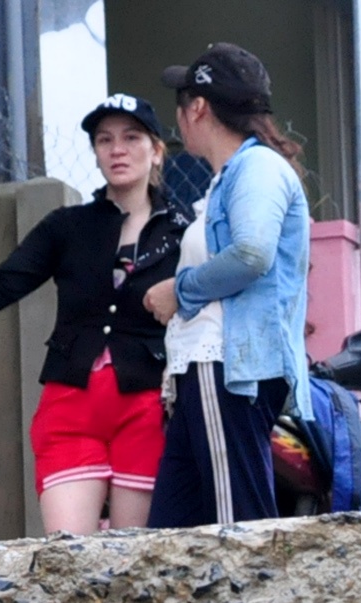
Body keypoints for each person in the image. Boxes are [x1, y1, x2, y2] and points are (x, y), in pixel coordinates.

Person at [0, 95, 184, 533]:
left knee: (135, 556)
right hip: (71, 406)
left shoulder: (181, 232)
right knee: (67, 553)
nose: (118, 149)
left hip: (146, 408)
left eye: (132, 138)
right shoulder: (67, 226)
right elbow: (4, 282)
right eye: (105, 139)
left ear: (157, 150)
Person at [143, 44, 313, 528]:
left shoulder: (256, 169)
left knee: (236, 526)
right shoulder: (232, 176)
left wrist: (180, 290)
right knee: (173, 533)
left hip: (225, 368)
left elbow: (252, 254)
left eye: (181, 104)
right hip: (207, 369)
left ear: (197, 107)